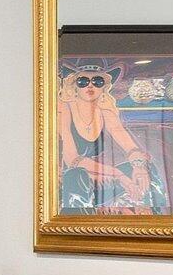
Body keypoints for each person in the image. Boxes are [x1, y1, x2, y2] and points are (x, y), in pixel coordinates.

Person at [56, 65, 163, 211]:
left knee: (147, 169)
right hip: (66, 179)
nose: (90, 86)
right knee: (77, 176)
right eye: (83, 81)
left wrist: (139, 166)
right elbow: (72, 160)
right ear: (74, 85)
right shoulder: (64, 108)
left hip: (99, 174)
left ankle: (154, 222)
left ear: (104, 86)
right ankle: (78, 229)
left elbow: (129, 146)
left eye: (97, 81)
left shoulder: (104, 110)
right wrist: (118, 175)